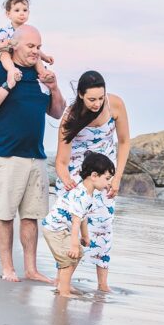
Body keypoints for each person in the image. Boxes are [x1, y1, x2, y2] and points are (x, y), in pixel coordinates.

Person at [0, 24, 66, 283]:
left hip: (36, 157)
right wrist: (7, 85)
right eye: (31, 46)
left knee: (31, 217)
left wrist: (55, 87)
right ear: (14, 45)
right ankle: (7, 268)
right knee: (5, 215)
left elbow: (58, 112)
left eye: (39, 46)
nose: (36, 51)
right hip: (7, 155)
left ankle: (31, 269)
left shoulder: (40, 75)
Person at [54, 70, 131, 293]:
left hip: (104, 179)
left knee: (103, 228)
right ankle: (63, 282)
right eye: (91, 99)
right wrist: (69, 183)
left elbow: (124, 142)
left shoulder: (115, 105)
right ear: (80, 95)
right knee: (73, 232)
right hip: (76, 179)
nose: (97, 103)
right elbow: (60, 161)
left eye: (100, 97)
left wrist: (117, 178)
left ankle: (103, 284)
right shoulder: (71, 116)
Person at [41, 152, 115, 297]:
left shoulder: (88, 193)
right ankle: (64, 290)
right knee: (69, 257)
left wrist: (85, 236)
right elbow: (76, 222)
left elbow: (83, 217)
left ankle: (64, 285)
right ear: (94, 176)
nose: (109, 183)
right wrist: (74, 244)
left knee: (78, 254)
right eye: (107, 179)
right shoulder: (81, 195)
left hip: (61, 229)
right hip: (55, 228)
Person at [0, 0, 55, 89]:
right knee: (5, 55)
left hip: (21, 55)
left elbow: (34, 47)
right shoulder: (6, 30)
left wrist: (45, 57)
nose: (21, 13)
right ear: (8, 14)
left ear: (28, 12)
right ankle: (12, 70)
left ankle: (43, 72)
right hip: (5, 53)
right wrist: (4, 44)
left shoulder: (27, 31)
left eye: (24, 10)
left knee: (34, 53)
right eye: (17, 10)